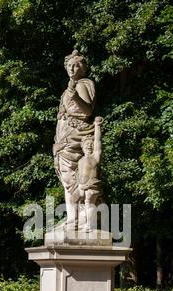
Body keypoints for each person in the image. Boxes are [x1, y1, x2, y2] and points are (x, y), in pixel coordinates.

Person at [53, 50, 96, 229]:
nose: (72, 68)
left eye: (76, 64)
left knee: (73, 180)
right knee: (67, 180)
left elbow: (87, 111)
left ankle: (78, 220)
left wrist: (74, 95)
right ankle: (74, 218)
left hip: (74, 137)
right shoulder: (71, 86)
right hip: (64, 138)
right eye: (69, 65)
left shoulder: (83, 84)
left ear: (83, 67)